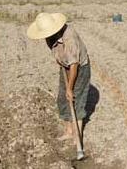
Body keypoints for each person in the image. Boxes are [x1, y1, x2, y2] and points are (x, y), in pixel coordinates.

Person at [27, 13, 91, 142]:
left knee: (75, 99)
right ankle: (68, 131)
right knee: (62, 99)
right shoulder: (49, 37)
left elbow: (74, 64)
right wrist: (65, 84)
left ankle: (77, 138)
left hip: (79, 67)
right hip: (66, 66)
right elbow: (57, 53)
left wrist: (70, 88)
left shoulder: (69, 38)